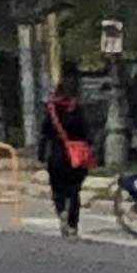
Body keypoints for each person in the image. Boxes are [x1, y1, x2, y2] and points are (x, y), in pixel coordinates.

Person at [39, 71, 99, 238]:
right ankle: (73, 224)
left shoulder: (52, 109)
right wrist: (92, 148)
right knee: (74, 191)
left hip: (57, 155)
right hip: (77, 157)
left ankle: (61, 212)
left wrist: (41, 156)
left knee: (57, 189)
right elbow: (87, 132)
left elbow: (44, 134)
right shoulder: (77, 109)